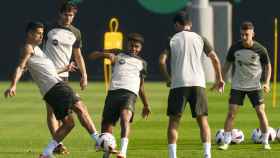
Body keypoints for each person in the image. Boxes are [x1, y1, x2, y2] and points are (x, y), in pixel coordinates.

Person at [4, 21, 99, 158]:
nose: (41, 37)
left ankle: (47, 153)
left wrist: (64, 68)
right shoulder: (28, 48)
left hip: (53, 87)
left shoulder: (37, 50)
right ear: (30, 34)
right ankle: (99, 141)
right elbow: (20, 67)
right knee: (80, 107)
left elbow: (48, 70)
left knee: (69, 123)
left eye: (43, 34)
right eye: (38, 33)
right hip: (56, 87)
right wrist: (13, 85)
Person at [159, 12, 224, 158]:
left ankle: (172, 156)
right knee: (203, 121)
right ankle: (207, 154)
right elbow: (215, 58)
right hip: (198, 84)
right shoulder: (200, 38)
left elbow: (161, 61)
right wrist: (219, 78)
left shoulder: (172, 39)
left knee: (174, 122)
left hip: (178, 84)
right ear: (190, 24)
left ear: (177, 24)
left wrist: (168, 78)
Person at [89, 33, 151, 158]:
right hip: (113, 93)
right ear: (127, 44)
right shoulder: (118, 53)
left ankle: (123, 152)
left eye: (136, 46)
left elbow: (141, 86)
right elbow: (92, 55)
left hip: (129, 94)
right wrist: (107, 55)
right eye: (131, 45)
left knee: (125, 118)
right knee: (107, 127)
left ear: (140, 48)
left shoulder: (143, 63)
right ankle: (106, 154)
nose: (133, 48)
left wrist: (146, 105)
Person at [218, 21, 272, 150]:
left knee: (260, 112)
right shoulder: (235, 48)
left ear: (252, 34)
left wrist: (267, 82)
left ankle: (265, 141)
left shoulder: (260, 49)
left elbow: (268, 66)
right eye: (241, 34)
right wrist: (220, 80)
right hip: (237, 86)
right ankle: (226, 141)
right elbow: (227, 65)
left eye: (246, 34)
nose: (243, 37)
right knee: (231, 113)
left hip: (255, 86)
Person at [43, 2, 88, 154]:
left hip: (64, 76)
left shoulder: (76, 32)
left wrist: (84, 74)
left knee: (65, 113)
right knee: (51, 111)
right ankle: (57, 145)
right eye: (66, 14)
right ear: (60, 14)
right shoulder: (48, 28)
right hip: (48, 75)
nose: (69, 17)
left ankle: (56, 143)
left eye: (72, 15)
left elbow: (78, 55)